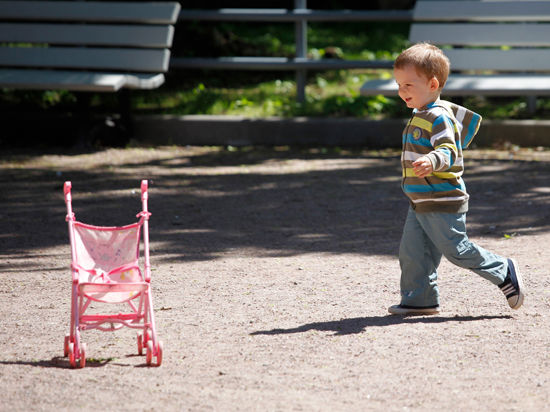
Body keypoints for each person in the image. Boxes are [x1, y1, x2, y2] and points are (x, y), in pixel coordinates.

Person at [388, 42, 524, 315]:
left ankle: (503, 270)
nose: (401, 91)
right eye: (399, 85)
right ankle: (420, 300)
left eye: (408, 85)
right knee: (413, 252)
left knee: (457, 250)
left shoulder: (439, 117)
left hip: (442, 198)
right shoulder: (421, 113)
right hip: (421, 199)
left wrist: (432, 160)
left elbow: (449, 149)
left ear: (433, 84)